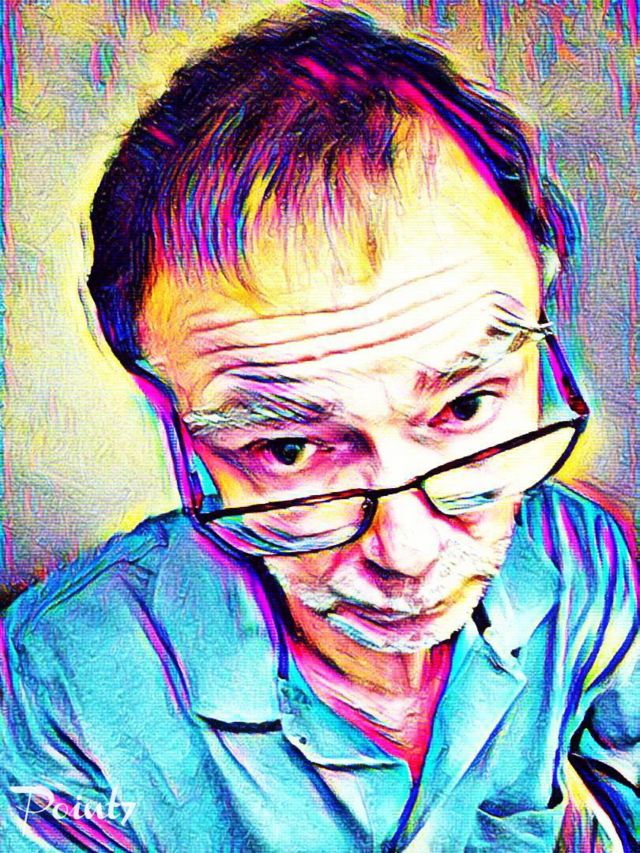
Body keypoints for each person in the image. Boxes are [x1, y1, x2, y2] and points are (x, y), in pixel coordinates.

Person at [1, 8, 637, 852]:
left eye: (466, 406)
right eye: (289, 449)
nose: (407, 553)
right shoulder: (56, 688)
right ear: (178, 428)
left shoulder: (583, 560)